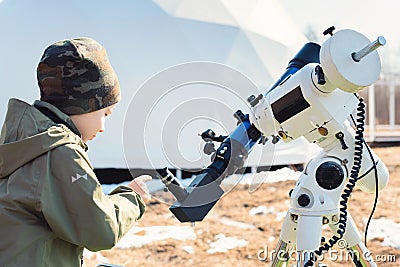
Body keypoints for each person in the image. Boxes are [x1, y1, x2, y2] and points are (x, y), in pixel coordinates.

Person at [0, 37, 152, 266]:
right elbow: (101, 230)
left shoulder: (23, 137)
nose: (103, 127)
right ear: (85, 103)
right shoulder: (60, 152)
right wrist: (133, 198)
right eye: (105, 113)